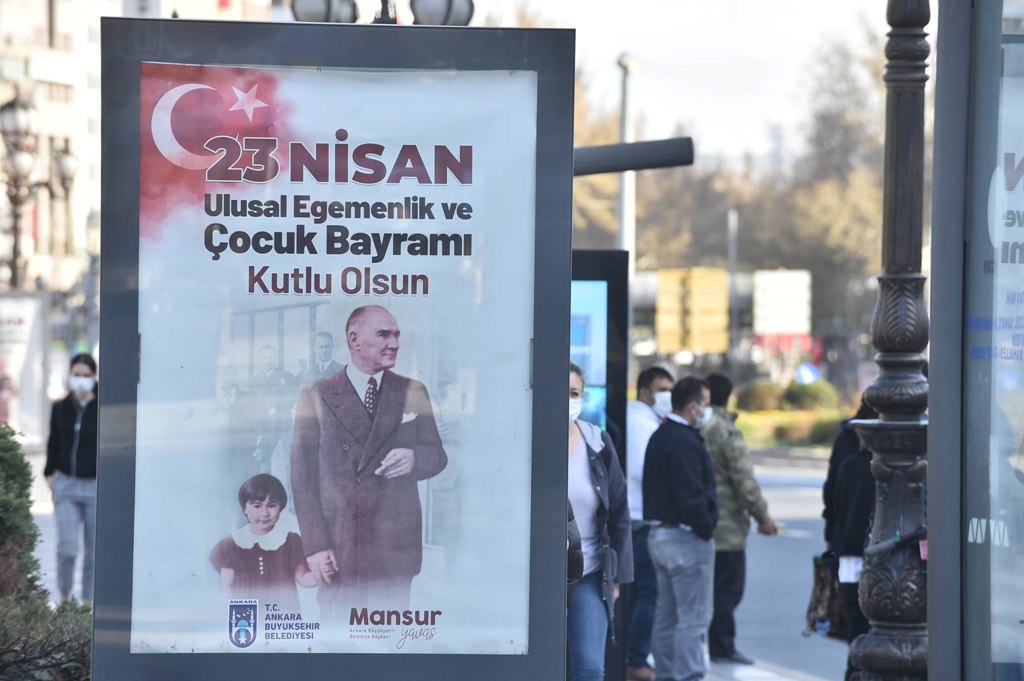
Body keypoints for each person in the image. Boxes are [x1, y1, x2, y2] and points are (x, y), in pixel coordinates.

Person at [291, 305, 447, 618]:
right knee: (337, 636)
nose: (395, 343)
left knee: (390, 636)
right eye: (384, 334)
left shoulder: (412, 390)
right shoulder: (317, 394)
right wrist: (316, 546)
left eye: (397, 335)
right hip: (340, 546)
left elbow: (437, 455)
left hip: (394, 547)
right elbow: (302, 478)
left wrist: (414, 458)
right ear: (354, 339)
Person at [643, 376, 718, 681]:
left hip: (659, 535)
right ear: (693, 407)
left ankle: (666, 674)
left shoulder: (660, 435)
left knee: (667, 616)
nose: (708, 411)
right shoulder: (684, 441)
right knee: (693, 618)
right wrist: (705, 526)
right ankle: (689, 676)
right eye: (706, 404)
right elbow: (690, 494)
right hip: (686, 537)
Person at [702, 373, 778, 666]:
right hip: (728, 529)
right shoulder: (725, 431)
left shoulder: (696, 426)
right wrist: (763, 517)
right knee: (728, 591)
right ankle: (722, 646)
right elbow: (744, 481)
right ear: (728, 396)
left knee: (711, 590)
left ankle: (714, 644)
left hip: (702, 524)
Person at [566, 362, 633, 681]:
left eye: (574, 393)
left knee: (590, 668)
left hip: (589, 574)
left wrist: (616, 578)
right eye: (561, 392)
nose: (568, 400)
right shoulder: (528, 437)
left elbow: (619, 512)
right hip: (536, 577)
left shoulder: (598, 443)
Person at [624, 365, 675, 681]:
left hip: (637, 517)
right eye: (662, 390)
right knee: (649, 592)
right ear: (645, 392)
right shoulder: (641, 423)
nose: (668, 396)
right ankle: (637, 658)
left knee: (639, 592)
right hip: (640, 518)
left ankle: (634, 655)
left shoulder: (642, 420)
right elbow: (643, 470)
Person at [823, 396, 878, 681]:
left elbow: (835, 504)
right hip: (880, 557)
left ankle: (854, 673)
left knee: (856, 626)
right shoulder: (892, 467)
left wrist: (831, 542)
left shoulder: (849, 464)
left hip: (848, 556)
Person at [210, 473, 316, 613]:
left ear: (281, 508)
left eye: (272, 506)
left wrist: (325, 573)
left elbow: (302, 578)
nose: (264, 513)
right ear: (245, 508)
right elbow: (226, 588)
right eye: (257, 506)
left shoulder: (290, 541)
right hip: (246, 616)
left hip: (282, 614)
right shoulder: (231, 544)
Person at [44, 353, 99, 604]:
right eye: (77, 374)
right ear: (69, 375)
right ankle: (65, 599)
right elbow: (53, 442)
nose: (81, 379)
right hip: (66, 485)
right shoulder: (61, 407)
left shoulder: (103, 407)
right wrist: (49, 473)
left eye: (86, 375)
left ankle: (87, 605)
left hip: (95, 486)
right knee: (68, 549)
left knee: (93, 551)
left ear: (94, 377)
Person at [251, 345, 294, 471]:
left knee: (290, 459)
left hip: (284, 422)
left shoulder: (287, 376)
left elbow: (290, 399)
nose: (268, 360)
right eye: (264, 358)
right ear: (259, 360)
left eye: (270, 357)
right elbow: (256, 402)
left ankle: (291, 484)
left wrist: (275, 410)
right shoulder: (255, 379)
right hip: (265, 425)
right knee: (264, 459)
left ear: (275, 358)